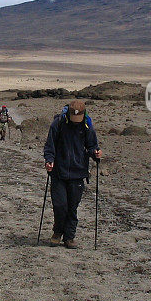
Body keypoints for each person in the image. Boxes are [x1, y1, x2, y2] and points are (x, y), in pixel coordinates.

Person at [43, 100, 101, 249]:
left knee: (72, 207)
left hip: (78, 171)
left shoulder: (86, 125)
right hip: (59, 172)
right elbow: (50, 145)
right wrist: (49, 160)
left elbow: (91, 145)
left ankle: (69, 237)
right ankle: (57, 232)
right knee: (60, 205)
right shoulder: (58, 123)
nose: (76, 123)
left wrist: (95, 154)